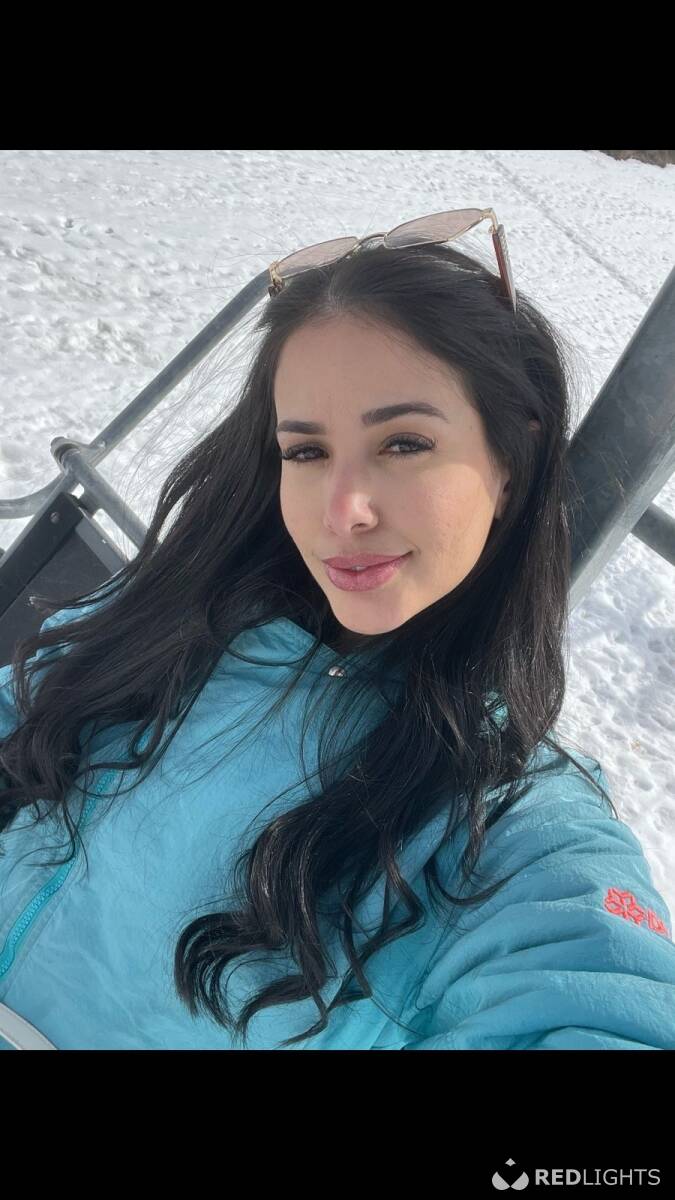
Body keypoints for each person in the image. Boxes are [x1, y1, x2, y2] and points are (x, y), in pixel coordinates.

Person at [1, 211, 674, 1051]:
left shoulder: (503, 826)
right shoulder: (168, 616)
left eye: (403, 443)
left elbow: (599, 1001)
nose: (342, 511)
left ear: (512, 458)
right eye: (307, 452)